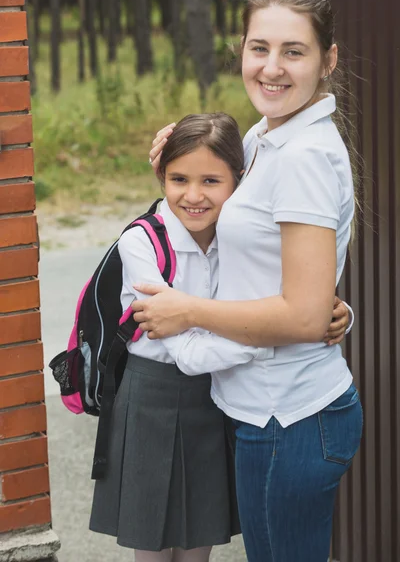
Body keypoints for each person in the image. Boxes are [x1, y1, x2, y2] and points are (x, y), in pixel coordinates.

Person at [131, 0, 362, 562]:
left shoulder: (304, 156)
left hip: (289, 417)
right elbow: (272, 259)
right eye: (260, 48)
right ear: (241, 50)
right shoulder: (267, 136)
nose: (272, 68)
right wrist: (183, 161)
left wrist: (188, 311)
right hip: (270, 411)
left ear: (327, 59)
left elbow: (304, 314)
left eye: (294, 51)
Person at [89, 112, 350, 562]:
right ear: (160, 175)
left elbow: (289, 292)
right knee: (151, 543)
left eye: (211, 180)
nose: (193, 196)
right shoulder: (142, 243)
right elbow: (188, 354)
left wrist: (328, 312)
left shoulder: (236, 236)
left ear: (240, 180)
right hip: (152, 392)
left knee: (197, 545)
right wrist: (281, 333)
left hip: (214, 398)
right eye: (178, 179)